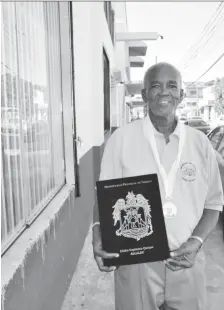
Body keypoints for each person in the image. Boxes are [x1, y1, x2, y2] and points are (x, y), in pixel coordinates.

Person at [92, 62, 224, 310]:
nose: (164, 92)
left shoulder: (200, 144)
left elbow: (213, 203)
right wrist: (97, 232)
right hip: (135, 264)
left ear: (182, 95)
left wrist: (196, 241)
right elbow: (105, 196)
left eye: (172, 86)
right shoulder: (121, 139)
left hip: (187, 259)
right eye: (155, 86)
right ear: (144, 95)